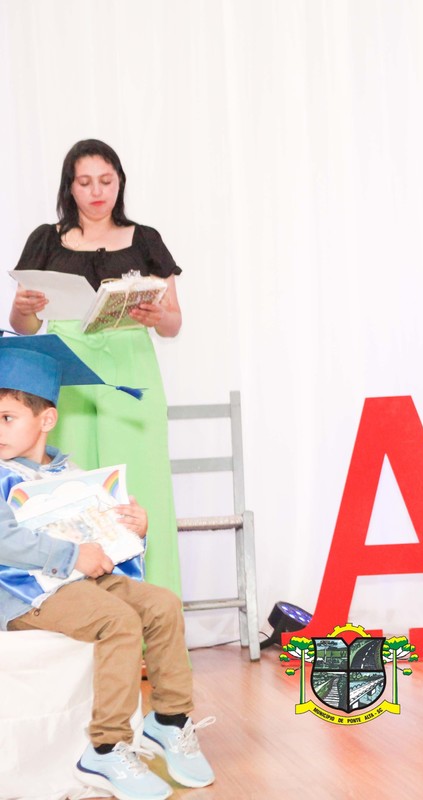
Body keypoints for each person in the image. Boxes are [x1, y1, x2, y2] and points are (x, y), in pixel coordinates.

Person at [0, 334, 213, 800]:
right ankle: (107, 746)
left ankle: (170, 719)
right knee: (118, 621)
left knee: (162, 604)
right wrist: (70, 555)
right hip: (23, 595)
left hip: (81, 581)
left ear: (46, 420)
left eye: (7, 418)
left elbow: (101, 541)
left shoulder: (70, 475)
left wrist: (132, 530)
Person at [10, 139, 184, 596]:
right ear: (70, 187)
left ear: (120, 182)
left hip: (132, 371)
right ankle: (83, 616)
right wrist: (24, 309)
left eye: (106, 181)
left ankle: (155, 612)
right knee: (71, 488)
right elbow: (24, 327)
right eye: (85, 182)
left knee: (142, 487)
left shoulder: (146, 239)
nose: (97, 191)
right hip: (70, 371)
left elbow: (173, 324)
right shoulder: (46, 239)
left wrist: (156, 315)